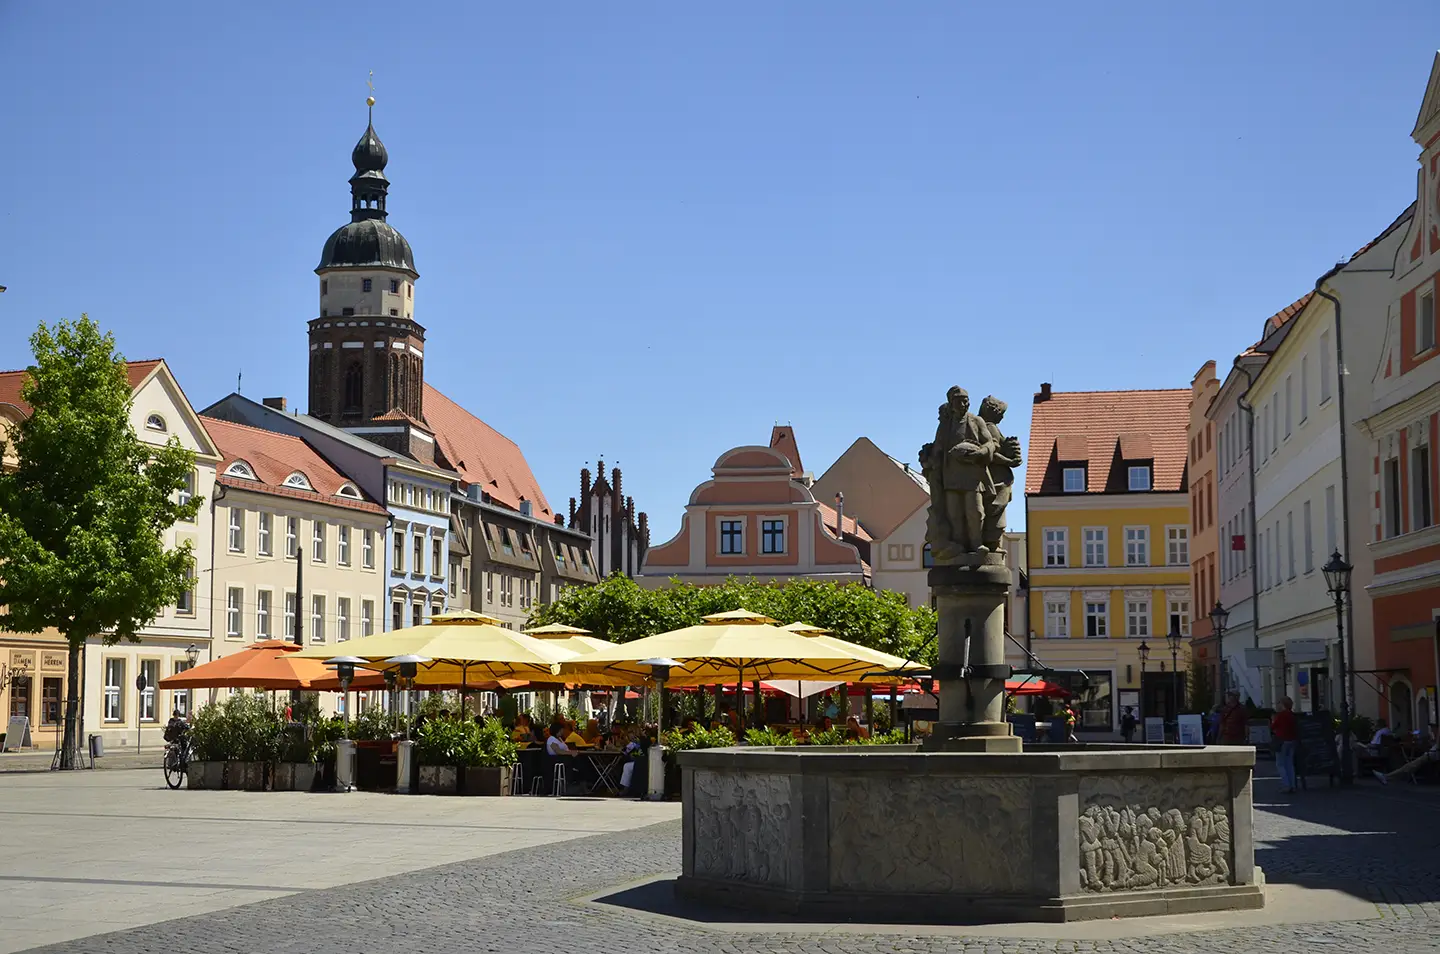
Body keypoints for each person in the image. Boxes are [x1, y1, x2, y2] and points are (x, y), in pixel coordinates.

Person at [1374, 723, 1440, 785]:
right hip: (1431, 753)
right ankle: (1388, 777)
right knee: (1411, 764)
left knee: (1411, 765)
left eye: (1433, 728)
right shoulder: (1434, 737)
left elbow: (1437, 747)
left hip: (1432, 754)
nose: (1432, 730)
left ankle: (1387, 777)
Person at [1270, 696, 1299, 794]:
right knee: (1289, 764)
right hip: (1292, 740)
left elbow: (1273, 727)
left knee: (1280, 764)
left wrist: (1273, 721)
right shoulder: (1292, 715)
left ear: (1283, 705)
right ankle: (1293, 785)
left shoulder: (1281, 715)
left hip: (1282, 740)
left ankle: (1286, 785)